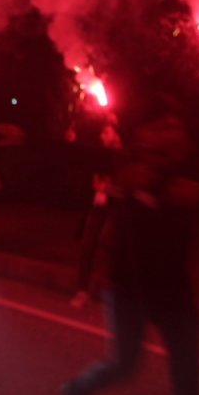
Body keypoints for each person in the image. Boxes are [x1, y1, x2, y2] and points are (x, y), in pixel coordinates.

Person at [61, 95, 199, 395]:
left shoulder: (189, 169)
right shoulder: (125, 167)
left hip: (174, 293)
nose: (173, 133)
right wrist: (122, 181)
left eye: (176, 126)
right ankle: (76, 391)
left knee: (188, 385)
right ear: (143, 134)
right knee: (123, 365)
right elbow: (84, 159)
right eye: (163, 127)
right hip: (130, 289)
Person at [71, 119, 122, 309]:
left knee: (106, 248)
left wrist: (109, 189)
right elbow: (95, 182)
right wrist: (102, 187)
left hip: (115, 209)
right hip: (98, 206)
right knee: (87, 246)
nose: (102, 136)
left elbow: (124, 188)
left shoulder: (122, 157)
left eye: (106, 133)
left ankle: (104, 292)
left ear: (117, 135)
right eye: (102, 133)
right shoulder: (100, 154)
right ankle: (82, 291)